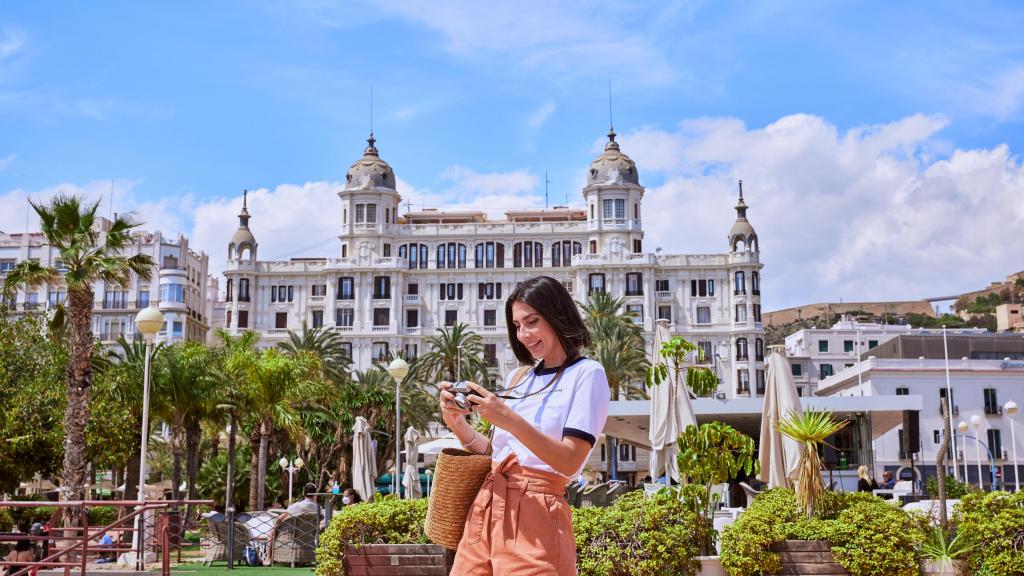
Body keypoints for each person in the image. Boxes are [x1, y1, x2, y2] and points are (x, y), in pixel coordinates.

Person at [439, 275, 610, 575]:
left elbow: (570, 461)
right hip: (487, 506)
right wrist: (458, 425)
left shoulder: (587, 374)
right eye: (517, 326)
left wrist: (508, 418)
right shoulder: (519, 378)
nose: (523, 334)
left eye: (532, 322)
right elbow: (498, 451)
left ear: (557, 316)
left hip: (537, 510)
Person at [264, 483, 319, 565]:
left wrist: (276, 525)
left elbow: (279, 519)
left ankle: (268, 559)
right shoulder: (318, 508)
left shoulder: (297, 506)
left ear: (304, 493)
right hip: (308, 536)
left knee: (271, 532)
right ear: (315, 494)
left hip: (291, 535)